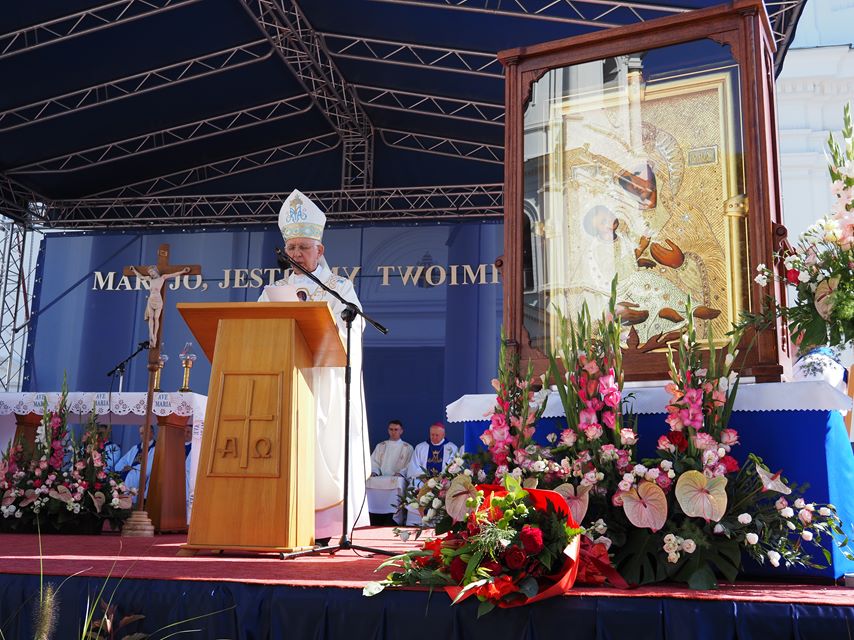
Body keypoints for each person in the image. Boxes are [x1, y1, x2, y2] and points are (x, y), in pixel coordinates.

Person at [259, 189, 371, 539]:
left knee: (324, 447)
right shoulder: (273, 291)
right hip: (287, 381)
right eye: (291, 247)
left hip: (325, 383)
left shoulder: (339, 288)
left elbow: (355, 327)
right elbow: (256, 328)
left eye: (303, 247)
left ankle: (325, 527)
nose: (295, 254)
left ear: (319, 250)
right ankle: (281, 519)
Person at [405, 422, 459, 526]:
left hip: (442, 482)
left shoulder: (451, 448)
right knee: (415, 487)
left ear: (443, 435)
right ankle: (415, 522)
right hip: (423, 480)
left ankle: (437, 524)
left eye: (437, 435)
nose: (433, 437)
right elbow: (414, 466)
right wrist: (424, 477)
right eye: (432, 434)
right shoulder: (420, 447)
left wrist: (440, 479)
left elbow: (452, 468)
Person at [129, 265, 190, 347]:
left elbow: (173, 274)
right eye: (149, 272)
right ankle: (151, 335)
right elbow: (141, 277)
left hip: (158, 300)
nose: (151, 273)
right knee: (151, 317)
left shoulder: (162, 278)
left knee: (156, 318)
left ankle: (155, 336)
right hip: (150, 300)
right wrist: (134, 270)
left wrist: (183, 271)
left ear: (156, 271)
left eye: (152, 271)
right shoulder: (150, 279)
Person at [366, 420, 413, 526]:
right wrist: (374, 471)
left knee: (398, 483)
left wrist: (401, 473)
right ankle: (374, 517)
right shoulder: (381, 446)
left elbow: (409, 465)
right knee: (369, 481)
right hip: (381, 477)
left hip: (396, 477)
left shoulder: (407, 447)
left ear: (401, 431)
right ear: (388, 430)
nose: (393, 432)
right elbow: (374, 462)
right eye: (391, 429)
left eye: (396, 429)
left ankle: (392, 519)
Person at [114, 425, 156, 504]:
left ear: (152, 433)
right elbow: (123, 460)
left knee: (132, 476)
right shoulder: (135, 448)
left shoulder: (156, 448)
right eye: (141, 433)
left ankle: (131, 504)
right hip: (129, 473)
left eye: (145, 432)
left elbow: (150, 466)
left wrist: (133, 468)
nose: (143, 435)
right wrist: (123, 467)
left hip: (142, 475)